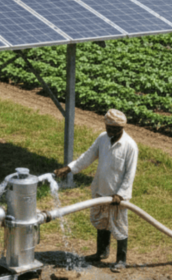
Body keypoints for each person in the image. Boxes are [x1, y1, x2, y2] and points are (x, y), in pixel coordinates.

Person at [54, 109, 138, 273]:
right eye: (108, 128)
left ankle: (121, 260)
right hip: (101, 189)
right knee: (101, 221)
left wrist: (120, 193)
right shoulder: (102, 138)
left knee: (119, 225)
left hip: (117, 196)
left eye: (115, 129)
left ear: (122, 128)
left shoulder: (130, 146)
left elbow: (130, 174)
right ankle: (101, 252)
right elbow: (88, 156)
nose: (111, 132)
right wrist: (69, 168)